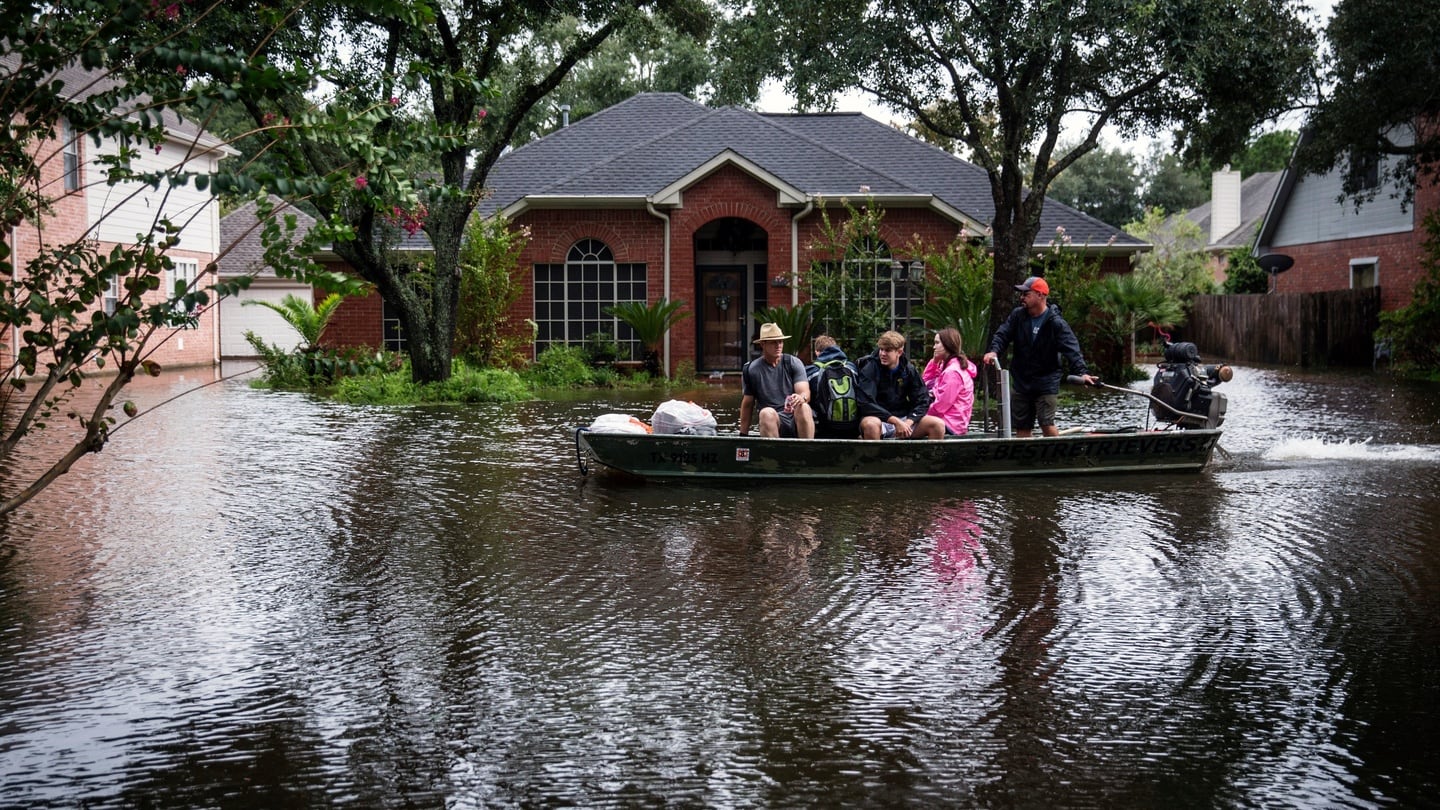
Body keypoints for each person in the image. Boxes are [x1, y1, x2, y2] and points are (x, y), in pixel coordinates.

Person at [982, 276, 1098, 437]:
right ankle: (1026, 460)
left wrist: (1082, 372)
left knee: (1046, 423)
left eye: (1026, 294)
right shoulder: (1018, 316)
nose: (1021, 298)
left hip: (1046, 380)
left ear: (1040, 295)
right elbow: (1002, 334)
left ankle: (1057, 457)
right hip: (1022, 380)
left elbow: (1072, 349)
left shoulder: (1055, 323)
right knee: (1021, 426)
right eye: (1021, 294)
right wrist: (994, 351)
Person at [856, 330, 945, 439]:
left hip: (903, 419)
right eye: (881, 349)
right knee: (871, 425)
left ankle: (930, 456)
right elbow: (865, 403)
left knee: (938, 424)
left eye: (887, 350)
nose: (882, 354)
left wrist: (909, 421)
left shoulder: (908, 369)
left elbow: (923, 399)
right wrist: (894, 420)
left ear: (899, 352)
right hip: (878, 419)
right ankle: (875, 456)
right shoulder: (870, 368)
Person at [740, 322, 814, 438]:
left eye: (780, 341)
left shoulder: (793, 363)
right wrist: (743, 435)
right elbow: (748, 404)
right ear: (762, 344)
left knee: (804, 406)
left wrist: (801, 397)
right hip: (772, 419)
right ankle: (773, 453)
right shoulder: (752, 369)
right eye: (773, 342)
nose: (778, 345)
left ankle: (807, 451)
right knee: (766, 413)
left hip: (795, 417)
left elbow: (805, 392)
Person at [805, 335, 864, 439]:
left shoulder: (811, 371)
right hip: (852, 429)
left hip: (824, 430)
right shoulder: (852, 367)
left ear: (817, 352)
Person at [922, 327, 975, 435]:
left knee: (904, 425)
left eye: (937, 343)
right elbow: (923, 383)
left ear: (947, 345)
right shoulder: (948, 366)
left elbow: (940, 406)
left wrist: (919, 415)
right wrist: (934, 362)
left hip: (949, 425)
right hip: (950, 421)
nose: (934, 347)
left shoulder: (952, 373)